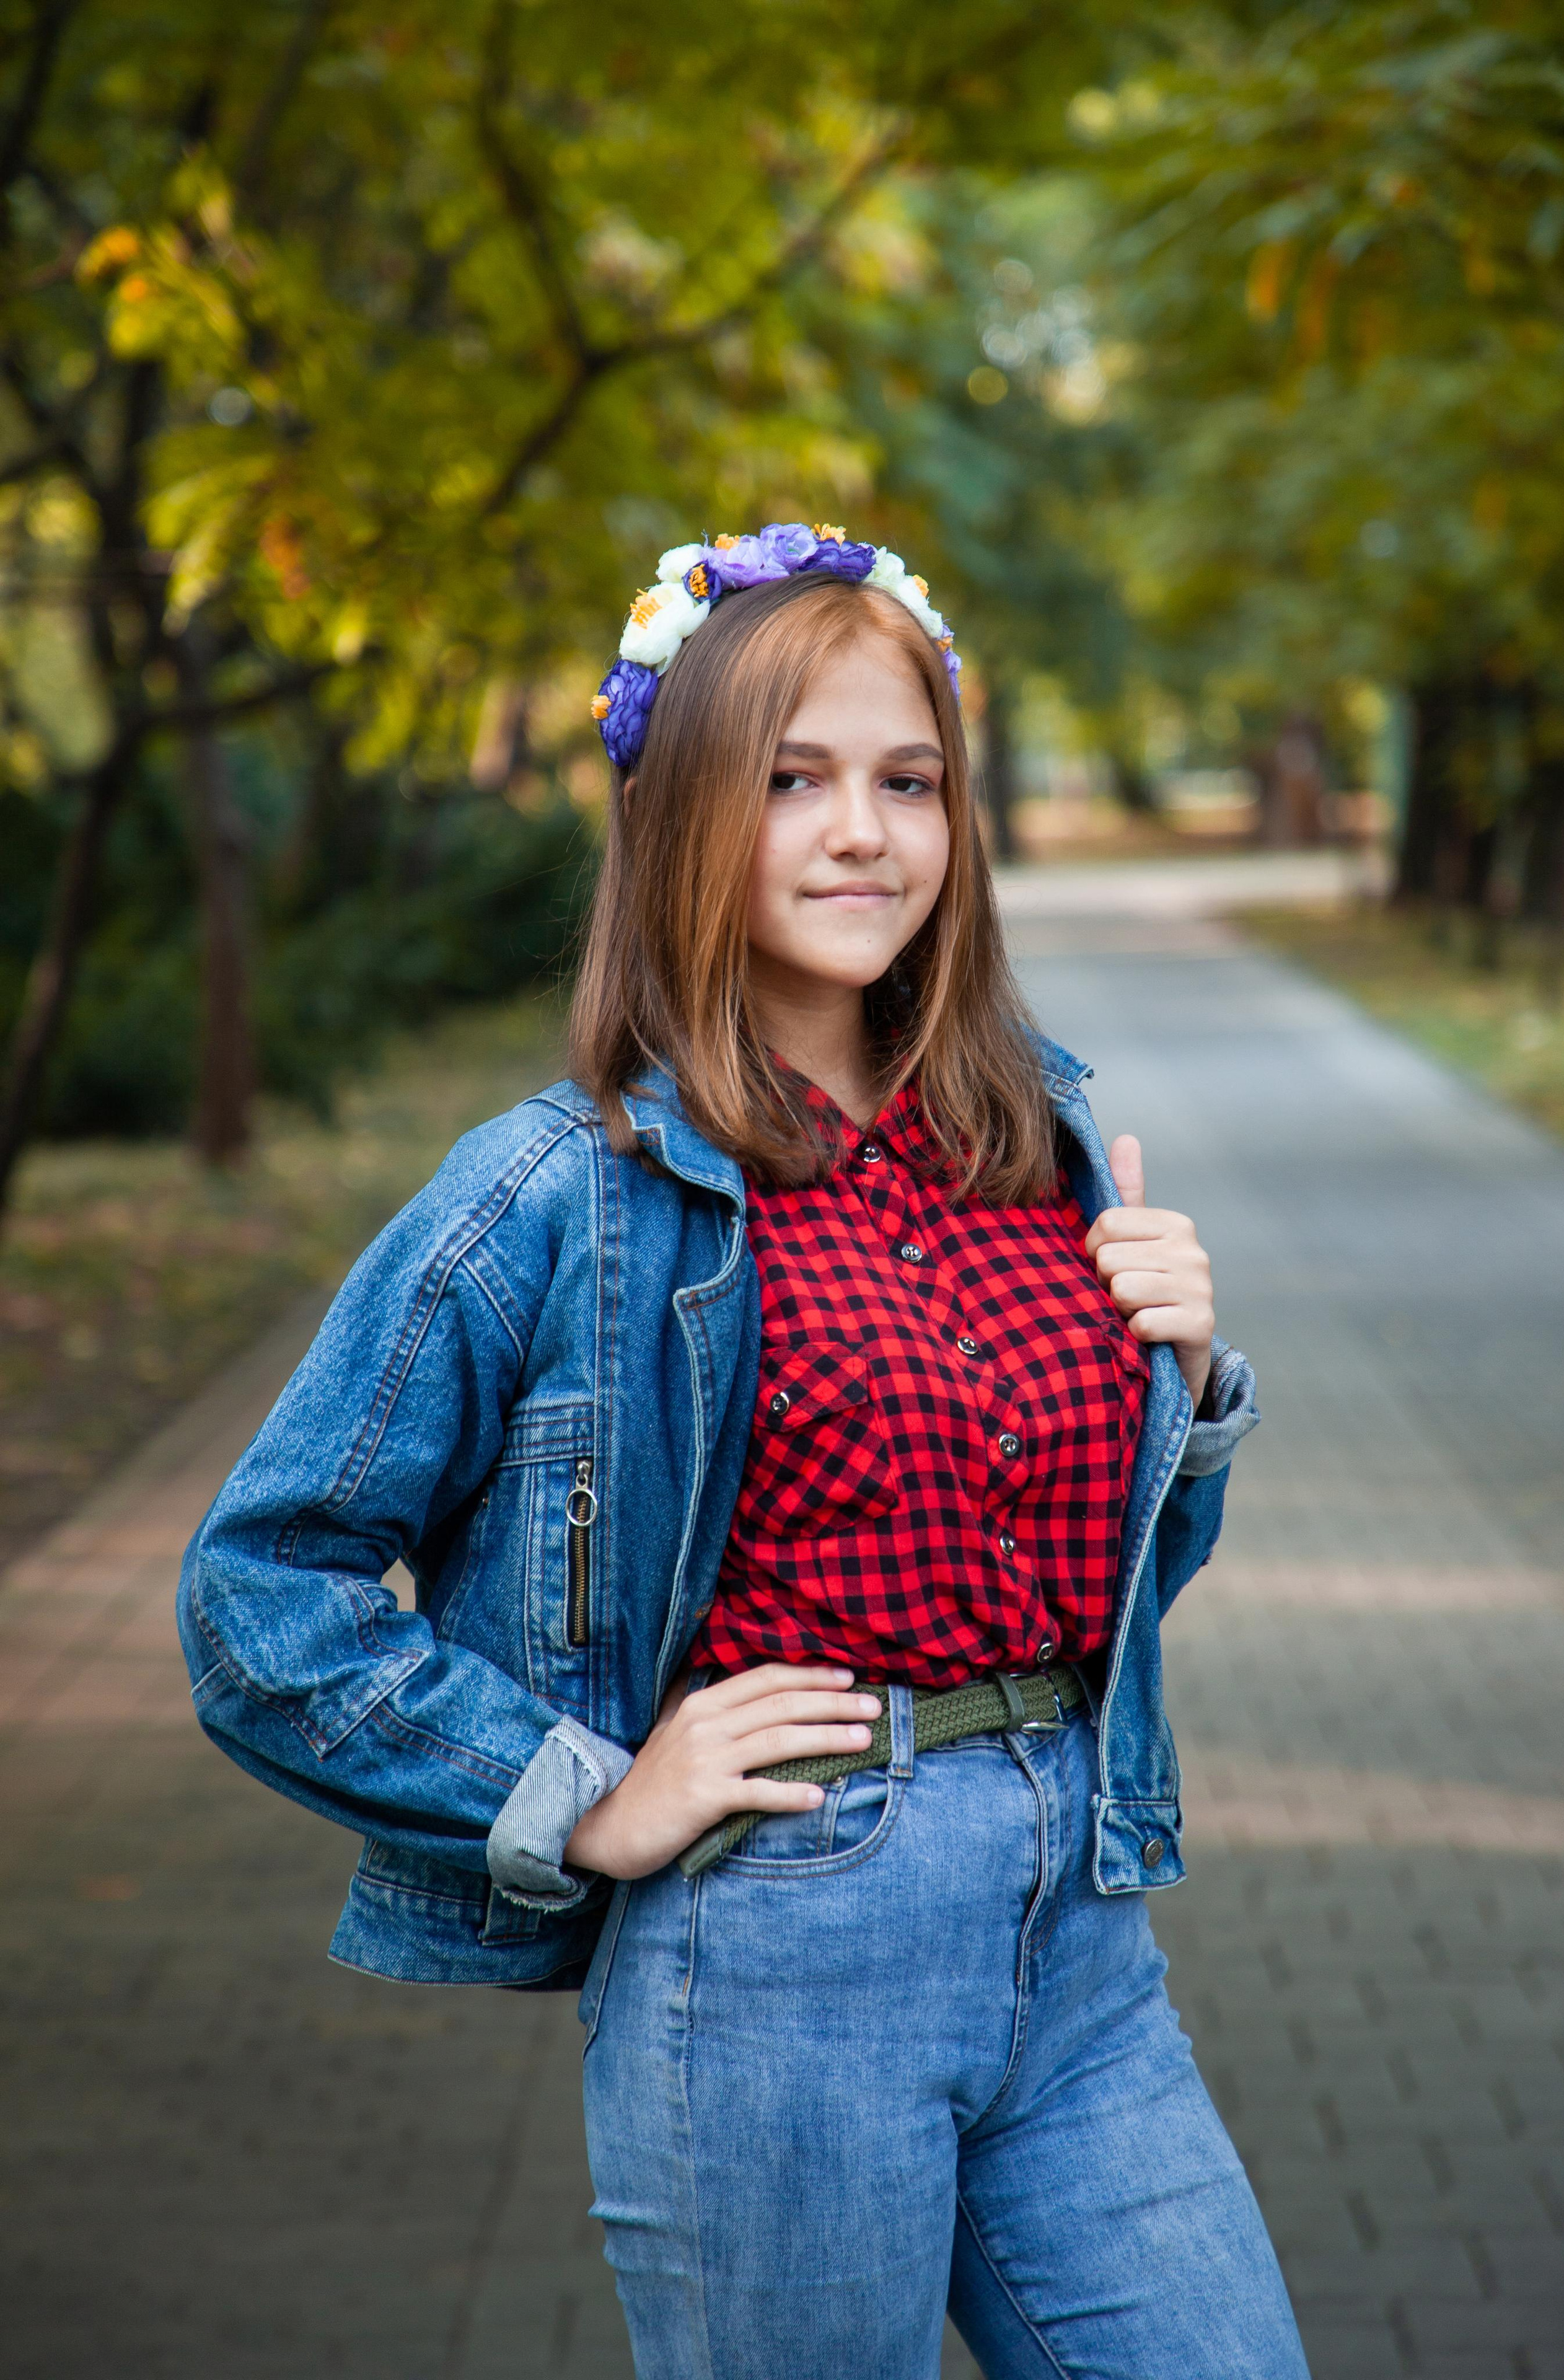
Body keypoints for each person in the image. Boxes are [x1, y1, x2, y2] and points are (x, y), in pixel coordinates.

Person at [178, 524, 1309, 2379]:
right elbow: (257, 1593)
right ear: (688, 809)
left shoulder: (1044, 1135)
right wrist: (577, 1794)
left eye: (908, 780)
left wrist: (1193, 1397)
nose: (864, 831)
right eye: (794, 781)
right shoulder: (562, 1191)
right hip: (785, 1951)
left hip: (1080, 1926)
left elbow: (1116, 1587)